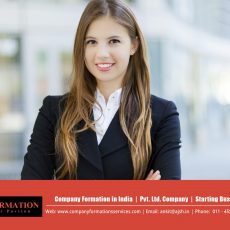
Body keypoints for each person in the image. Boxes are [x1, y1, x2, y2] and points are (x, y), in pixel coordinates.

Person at [21, 0, 181, 180]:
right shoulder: (54, 111)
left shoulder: (162, 115)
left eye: (113, 41)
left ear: (133, 45)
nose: (102, 53)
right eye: (91, 42)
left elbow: (167, 203)